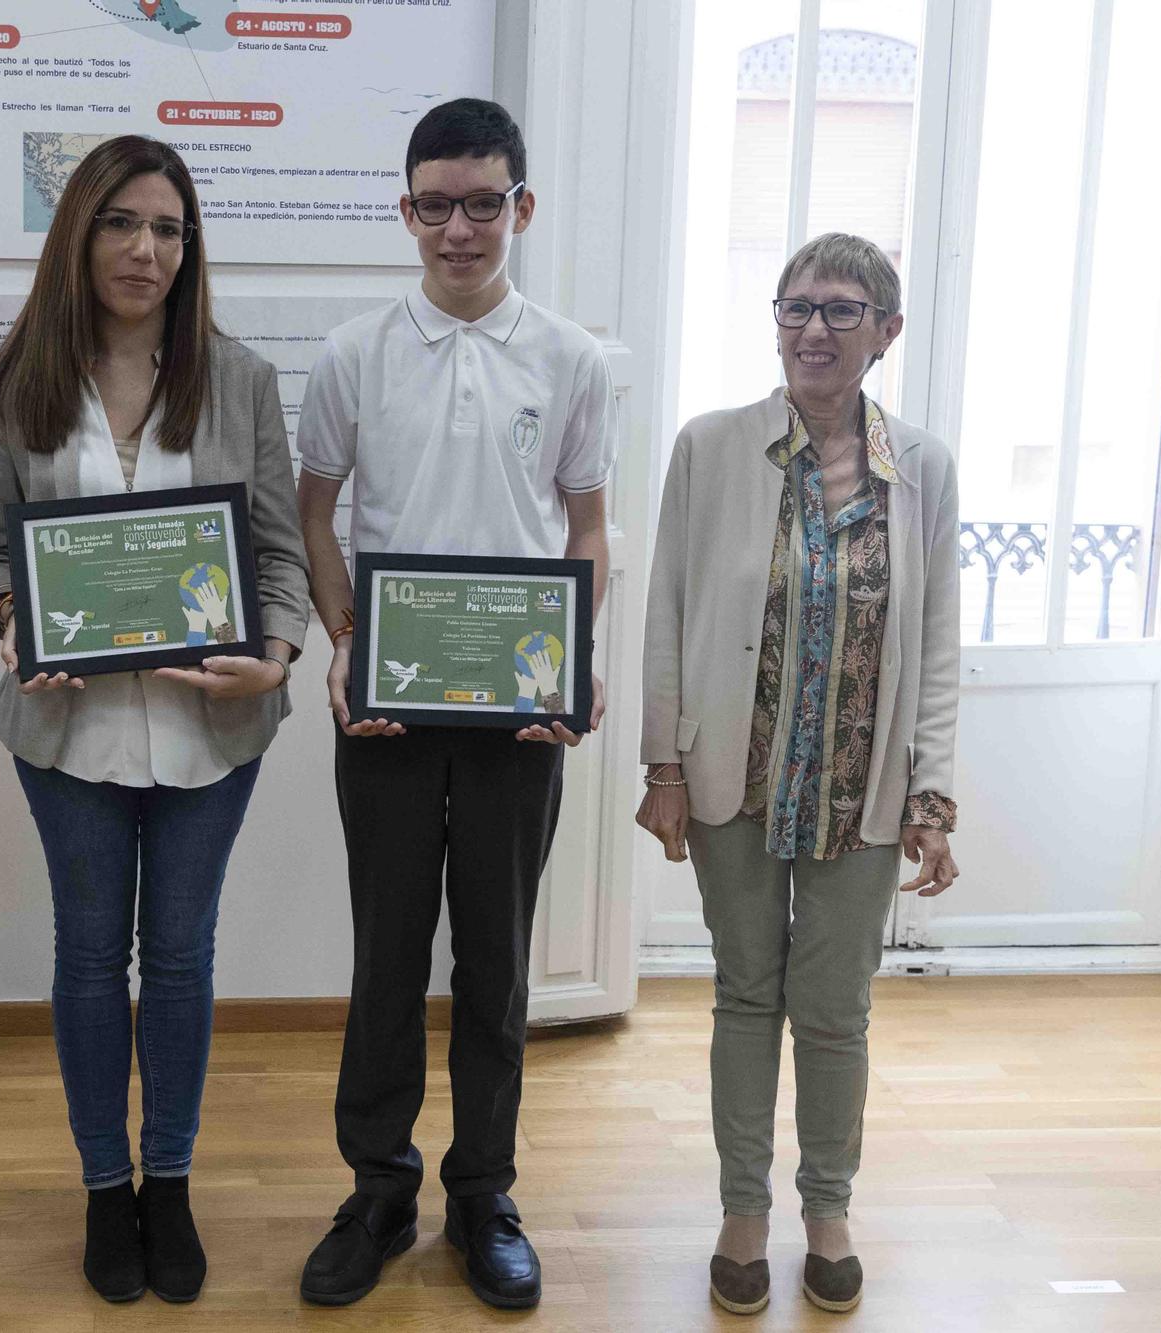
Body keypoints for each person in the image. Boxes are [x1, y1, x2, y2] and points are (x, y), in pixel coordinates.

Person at [0, 135, 310, 1306]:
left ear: (187, 247)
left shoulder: (240, 378)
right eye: (120, 223)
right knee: (85, 957)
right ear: (79, 235)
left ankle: (170, 1180)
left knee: (179, 957)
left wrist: (277, 655)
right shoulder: (18, 380)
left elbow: (274, 547)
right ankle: (104, 1188)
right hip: (67, 732)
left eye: (166, 228)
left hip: (211, 732)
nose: (144, 249)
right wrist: (14, 617)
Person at [293, 98, 613, 1311]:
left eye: (483, 203)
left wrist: (572, 658)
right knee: (384, 960)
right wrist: (340, 642)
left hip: (518, 717)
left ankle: (483, 1192)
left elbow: (582, 527)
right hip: (384, 703)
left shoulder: (570, 358)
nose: (458, 228)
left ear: (518, 208)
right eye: (434, 203)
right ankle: (377, 1188)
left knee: (496, 963)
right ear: (405, 211)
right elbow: (318, 514)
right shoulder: (351, 353)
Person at [636, 232, 961, 1316]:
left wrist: (930, 794)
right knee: (744, 993)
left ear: (885, 331)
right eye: (794, 308)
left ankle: (826, 1208)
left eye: (840, 310)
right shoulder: (710, 447)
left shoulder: (922, 468)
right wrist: (662, 764)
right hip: (733, 774)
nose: (813, 330)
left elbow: (940, 643)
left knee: (831, 1009)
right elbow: (668, 612)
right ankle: (741, 1209)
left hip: (857, 789)